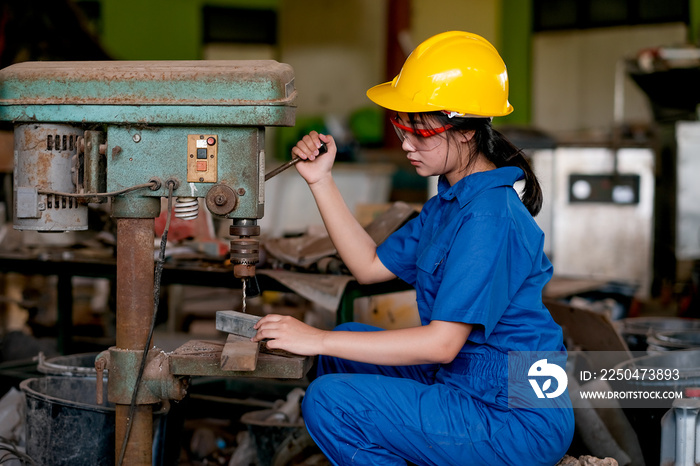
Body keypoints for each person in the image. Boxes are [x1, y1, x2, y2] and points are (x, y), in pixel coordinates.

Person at [252, 31, 574, 465]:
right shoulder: (450, 204)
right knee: (345, 351)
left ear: (465, 132)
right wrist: (320, 180)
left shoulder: (488, 216)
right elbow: (368, 266)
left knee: (330, 399)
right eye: (402, 127)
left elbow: (441, 344)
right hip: (467, 378)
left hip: (515, 413)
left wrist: (317, 338)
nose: (406, 144)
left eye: (419, 132)